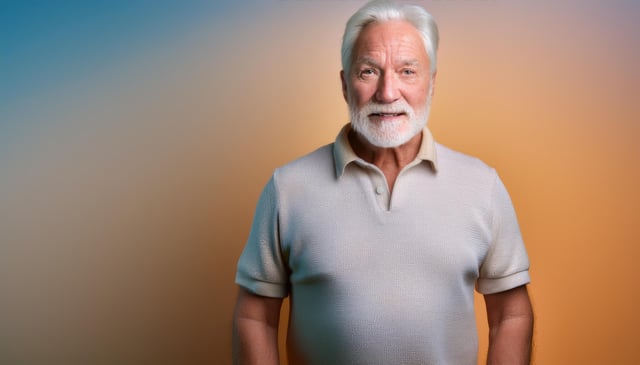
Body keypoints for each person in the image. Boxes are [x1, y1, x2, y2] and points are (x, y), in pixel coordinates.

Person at [232, 1, 534, 364]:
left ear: (432, 83)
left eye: (407, 71)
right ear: (345, 84)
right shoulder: (287, 188)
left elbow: (511, 315)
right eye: (368, 72)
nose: (388, 93)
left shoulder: (482, 186)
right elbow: (254, 317)